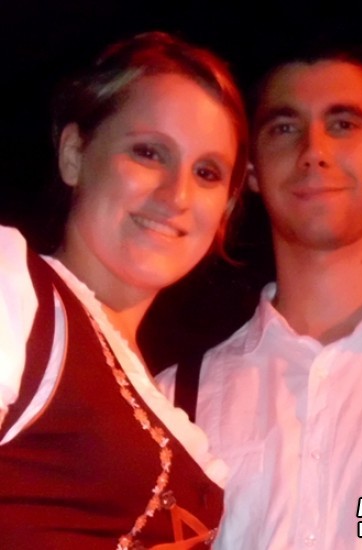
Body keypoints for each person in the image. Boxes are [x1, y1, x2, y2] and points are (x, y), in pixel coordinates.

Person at [158, 43, 362, 548]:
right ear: (252, 171)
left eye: (343, 124)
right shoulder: (170, 403)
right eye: (285, 128)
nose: (314, 150)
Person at [0, 31, 248, 549]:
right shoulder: (16, 290)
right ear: (74, 154)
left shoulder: (166, 396)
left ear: (224, 210)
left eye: (206, 172)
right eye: (149, 153)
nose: (177, 195)